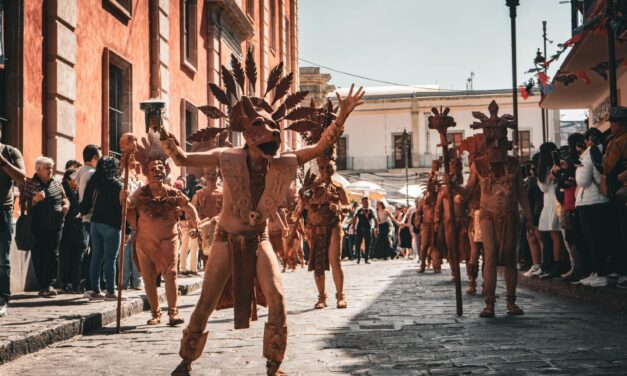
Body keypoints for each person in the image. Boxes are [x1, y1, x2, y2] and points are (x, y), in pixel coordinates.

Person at [161, 51, 364, 375]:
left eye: (272, 126)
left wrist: (341, 117)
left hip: (259, 241)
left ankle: (273, 365)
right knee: (205, 304)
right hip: (226, 241)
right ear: (247, 133)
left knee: (278, 298)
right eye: (260, 126)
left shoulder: (283, 162)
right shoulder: (226, 157)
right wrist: (165, 138)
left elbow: (319, 147)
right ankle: (185, 361)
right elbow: (185, 158)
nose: (269, 133)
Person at [452, 101, 535, 318]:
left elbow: (522, 194)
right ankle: (489, 303)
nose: (496, 145)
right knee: (490, 255)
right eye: (492, 140)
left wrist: (530, 218)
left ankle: (510, 301)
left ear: (505, 141)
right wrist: (454, 185)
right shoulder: (478, 165)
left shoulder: (514, 164)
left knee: (509, 259)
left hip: (510, 216)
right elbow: (468, 191)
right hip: (487, 215)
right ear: (486, 142)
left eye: (500, 140)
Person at [125, 131, 199, 326]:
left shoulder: (173, 192)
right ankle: (156, 313)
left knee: (172, 274)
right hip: (145, 243)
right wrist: (123, 197)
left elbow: (188, 207)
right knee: (148, 278)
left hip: (169, 240)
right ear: (147, 172)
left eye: (160, 167)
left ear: (165, 170)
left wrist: (196, 224)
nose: (157, 170)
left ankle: (173, 313)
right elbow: (129, 204)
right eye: (153, 168)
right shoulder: (141, 192)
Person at [79, 157, 128, 300]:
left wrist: (79, 212)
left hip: (95, 223)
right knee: (110, 259)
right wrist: (128, 229)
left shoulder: (95, 182)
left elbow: (85, 203)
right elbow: (123, 208)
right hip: (111, 225)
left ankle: (95, 290)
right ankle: (111, 292)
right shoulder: (118, 185)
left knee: (96, 257)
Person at [20, 157, 69, 297]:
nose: (50, 170)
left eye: (51, 167)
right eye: (47, 168)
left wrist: (66, 205)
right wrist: (34, 200)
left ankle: (49, 285)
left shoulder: (57, 183)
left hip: (56, 225)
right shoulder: (29, 184)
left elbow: (65, 198)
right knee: (39, 255)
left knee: (53, 254)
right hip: (37, 226)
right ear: (38, 170)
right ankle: (42, 285)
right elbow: (22, 205)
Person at [576, 128, 612, 288]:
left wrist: (578, 167)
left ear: (587, 140)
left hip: (591, 201)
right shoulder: (603, 151)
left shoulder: (590, 153)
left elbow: (583, 181)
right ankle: (597, 272)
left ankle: (600, 272)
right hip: (599, 200)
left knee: (593, 239)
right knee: (598, 238)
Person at [0, 117, 27, 316]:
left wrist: (1, 161)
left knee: (2, 257)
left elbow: (21, 178)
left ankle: (3, 298)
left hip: (3, 210)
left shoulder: (11, 152)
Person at [602, 107, 627, 289]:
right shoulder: (615, 140)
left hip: (621, 192)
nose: (610, 125)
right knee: (618, 232)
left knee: (622, 232)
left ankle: (624, 271)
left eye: (612, 122)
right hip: (616, 192)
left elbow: (607, 166)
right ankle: (620, 269)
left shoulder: (620, 141)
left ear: (620, 123)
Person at [72, 144, 101, 295]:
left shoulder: (81, 171)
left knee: (89, 250)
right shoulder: (91, 173)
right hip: (91, 215)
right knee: (94, 252)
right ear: (95, 158)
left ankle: (84, 282)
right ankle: (90, 284)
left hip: (85, 216)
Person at [536, 142, 564, 279]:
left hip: (554, 203)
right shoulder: (548, 168)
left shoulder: (551, 167)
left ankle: (556, 264)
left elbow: (544, 188)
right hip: (551, 203)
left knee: (555, 237)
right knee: (553, 237)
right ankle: (551, 263)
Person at [59, 168, 83, 293]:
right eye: (75, 178)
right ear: (69, 180)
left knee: (77, 258)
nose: (77, 181)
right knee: (66, 258)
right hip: (66, 229)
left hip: (78, 230)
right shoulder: (63, 190)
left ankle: (76, 284)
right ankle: (65, 283)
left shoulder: (79, 190)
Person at [351, 197, 377, 264]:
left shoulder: (372, 210)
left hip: (368, 229)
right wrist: (353, 228)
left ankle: (366, 259)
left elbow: (376, 220)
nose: (366, 202)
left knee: (368, 244)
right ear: (362, 202)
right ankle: (358, 258)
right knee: (358, 243)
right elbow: (354, 219)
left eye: (367, 201)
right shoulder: (358, 209)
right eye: (365, 201)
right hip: (359, 228)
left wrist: (377, 228)